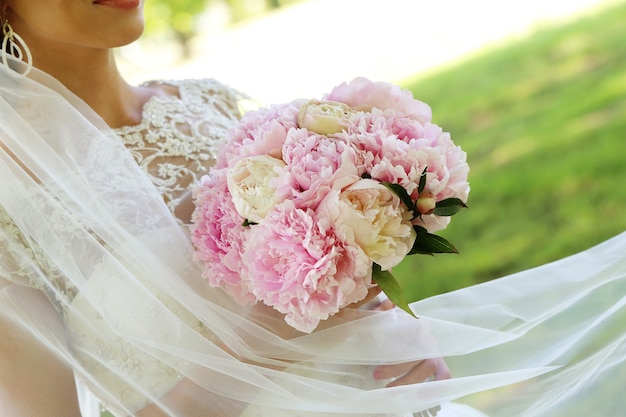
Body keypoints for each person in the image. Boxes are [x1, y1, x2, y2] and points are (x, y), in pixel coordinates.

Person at [0, 1, 623, 416]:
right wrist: (262, 343)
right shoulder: (8, 202)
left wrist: (389, 328)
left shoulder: (207, 104)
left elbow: (315, 282)